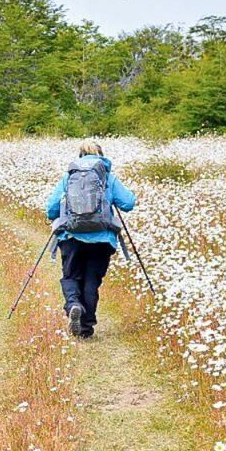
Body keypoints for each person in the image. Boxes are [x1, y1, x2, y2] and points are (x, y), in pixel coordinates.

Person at [44, 141, 136, 339]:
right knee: (91, 281)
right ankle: (85, 329)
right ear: (101, 155)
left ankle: (73, 304)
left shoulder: (69, 176)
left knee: (71, 276)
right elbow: (128, 203)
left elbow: (51, 209)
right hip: (102, 238)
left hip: (71, 236)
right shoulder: (107, 177)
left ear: (80, 155)